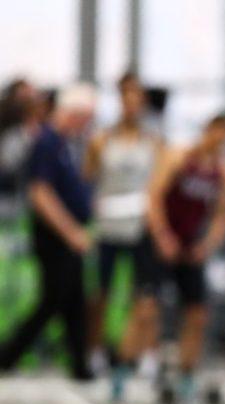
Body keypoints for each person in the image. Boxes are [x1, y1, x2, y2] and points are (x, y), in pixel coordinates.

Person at [111, 113, 225, 404]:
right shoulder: (179, 158)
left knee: (197, 313)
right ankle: (122, 369)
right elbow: (153, 198)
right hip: (157, 240)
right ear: (208, 130)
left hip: (190, 244)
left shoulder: (220, 171)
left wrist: (207, 245)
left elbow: (221, 215)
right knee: (146, 308)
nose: (221, 140)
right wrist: (162, 236)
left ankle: (187, 375)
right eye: (218, 133)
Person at [0, 83, 97, 380]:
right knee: (52, 300)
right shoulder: (47, 143)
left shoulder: (67, 144)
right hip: (53, 234)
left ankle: (81, 365)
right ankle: (7, 355)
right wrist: (70, 232)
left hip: (68, 231)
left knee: (74, 300)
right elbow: (40, 193)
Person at [83, 72, 162, 370]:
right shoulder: (102, 141)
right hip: (108, 226)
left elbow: (158, 183)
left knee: (145, 293)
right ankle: (97, 351)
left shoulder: (152, 142)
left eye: (137, 97)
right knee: (101, 292)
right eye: (126, 97)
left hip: (140, 225)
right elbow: (87, 179)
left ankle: (145, 351)